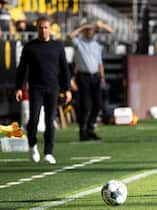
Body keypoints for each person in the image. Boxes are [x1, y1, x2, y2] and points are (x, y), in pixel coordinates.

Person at [15, 16, 72, 164]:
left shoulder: (58, 46)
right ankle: (32, 145)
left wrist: (67, 89)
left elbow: (65, 68)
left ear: (50, 29)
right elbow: (22, 69)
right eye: (40, 27)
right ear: (37, 29)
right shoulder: (30, 47)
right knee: (33, 120)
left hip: (53, 88)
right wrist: (19, 88)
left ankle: (48, 152)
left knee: (49, 120)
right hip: (35, 88)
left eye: (46, 27)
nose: (43, 30)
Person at [67, 20, 112, 141]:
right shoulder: (79, 43)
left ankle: (91, 128)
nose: (89, 32)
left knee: (98, 104)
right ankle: (83, 131)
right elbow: (70, 36)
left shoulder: (96, 45)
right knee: (86, 105)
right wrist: (83, 27)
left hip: (95, 76)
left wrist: (102, 77)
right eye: (87, 30)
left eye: (91, 30)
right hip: (83, 76)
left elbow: (99, 63)